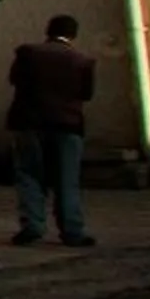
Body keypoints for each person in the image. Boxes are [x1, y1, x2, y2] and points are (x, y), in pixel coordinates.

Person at [7, 13, 98, 246]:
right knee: (66, 179)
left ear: (47, 31)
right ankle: (72, 231)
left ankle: (32, 226)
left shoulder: (27, 53)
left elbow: (14, 80)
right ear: (73, 35)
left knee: (29, 174)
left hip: (29, 122)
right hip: (68, 124)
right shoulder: (83, 60)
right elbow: (86, 94)